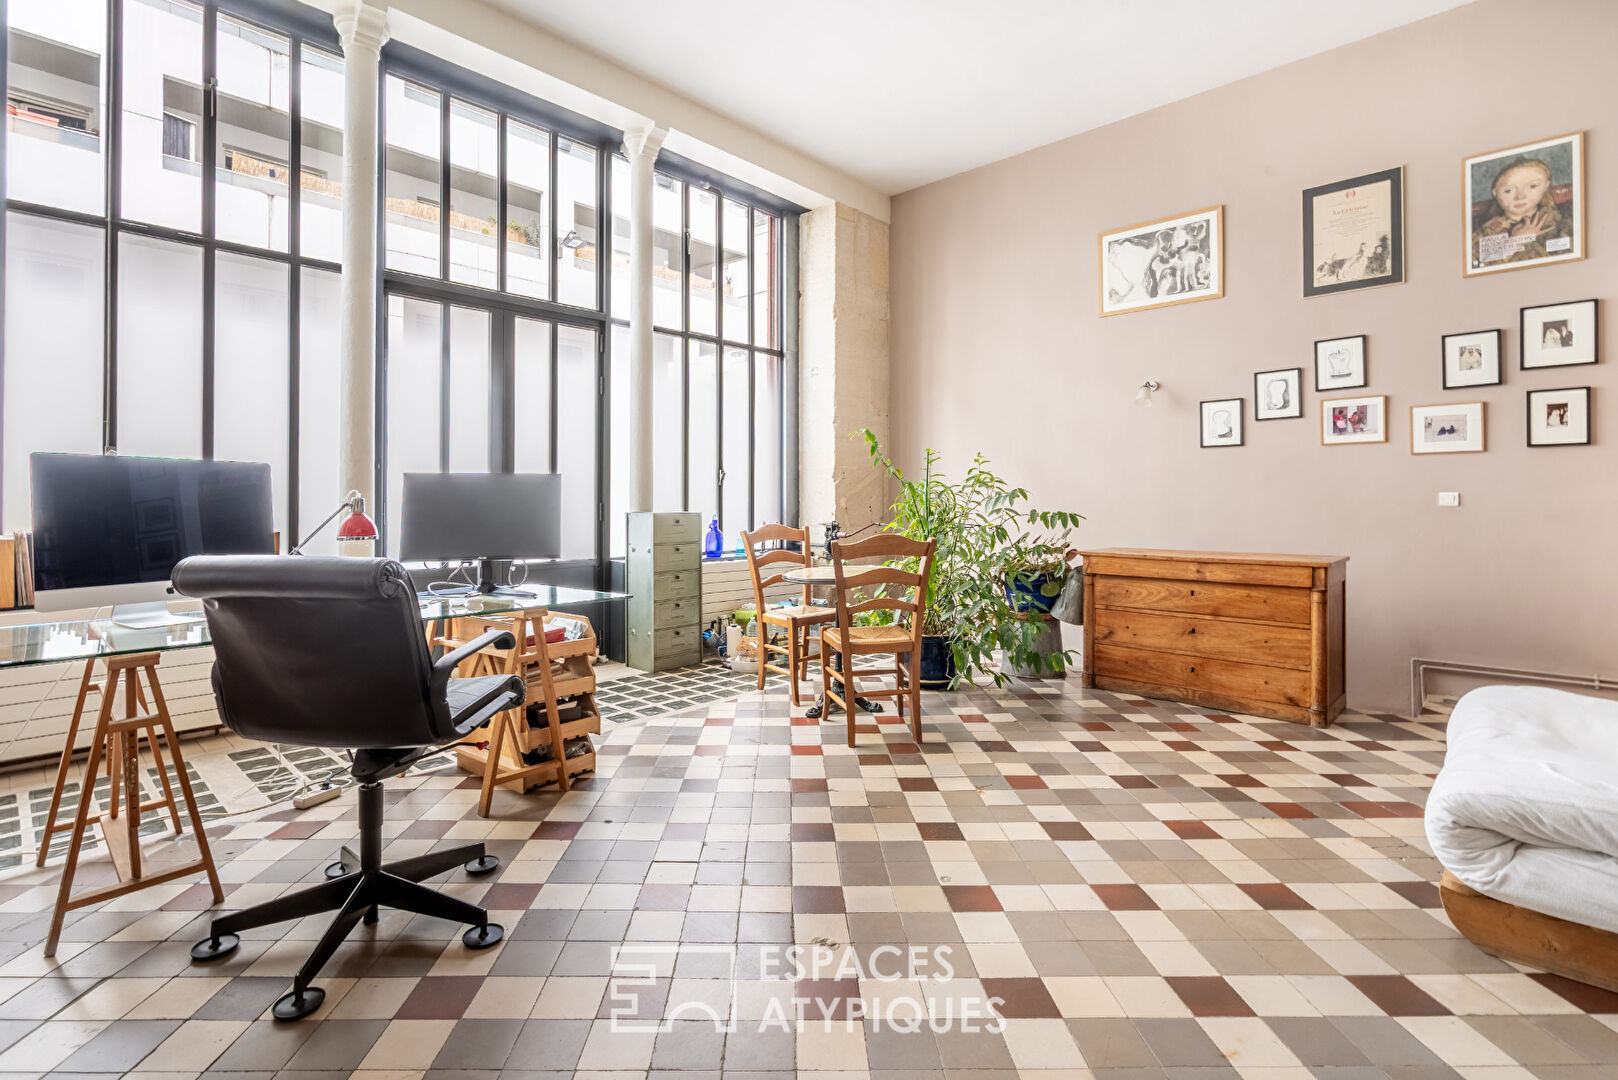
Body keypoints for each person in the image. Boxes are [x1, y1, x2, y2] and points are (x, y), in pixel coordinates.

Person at [1474, 156, 1571, 266]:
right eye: (1508, 190)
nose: (1520, 197)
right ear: (1495, 193)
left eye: (1533, 186)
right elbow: (1476, 266)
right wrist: (1514, 242)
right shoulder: (1487, 230)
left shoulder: (1558, 220)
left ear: (1546, 186)